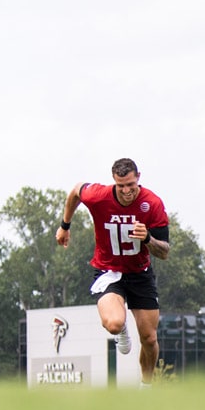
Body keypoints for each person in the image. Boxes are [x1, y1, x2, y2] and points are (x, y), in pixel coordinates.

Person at [56, 158, 171, 388]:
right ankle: (122, 328)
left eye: (130, 184)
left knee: (149, 338)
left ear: (138, 177)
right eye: (121, 186)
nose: (127, 191)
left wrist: (147, 238)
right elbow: (76, 191)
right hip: (108, 269)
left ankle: (146, 387)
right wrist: (65, 225)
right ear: (114, 182)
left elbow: (165, 252)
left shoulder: (152, 203)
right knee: (114, 323)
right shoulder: (99, 196)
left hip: (140, 273)